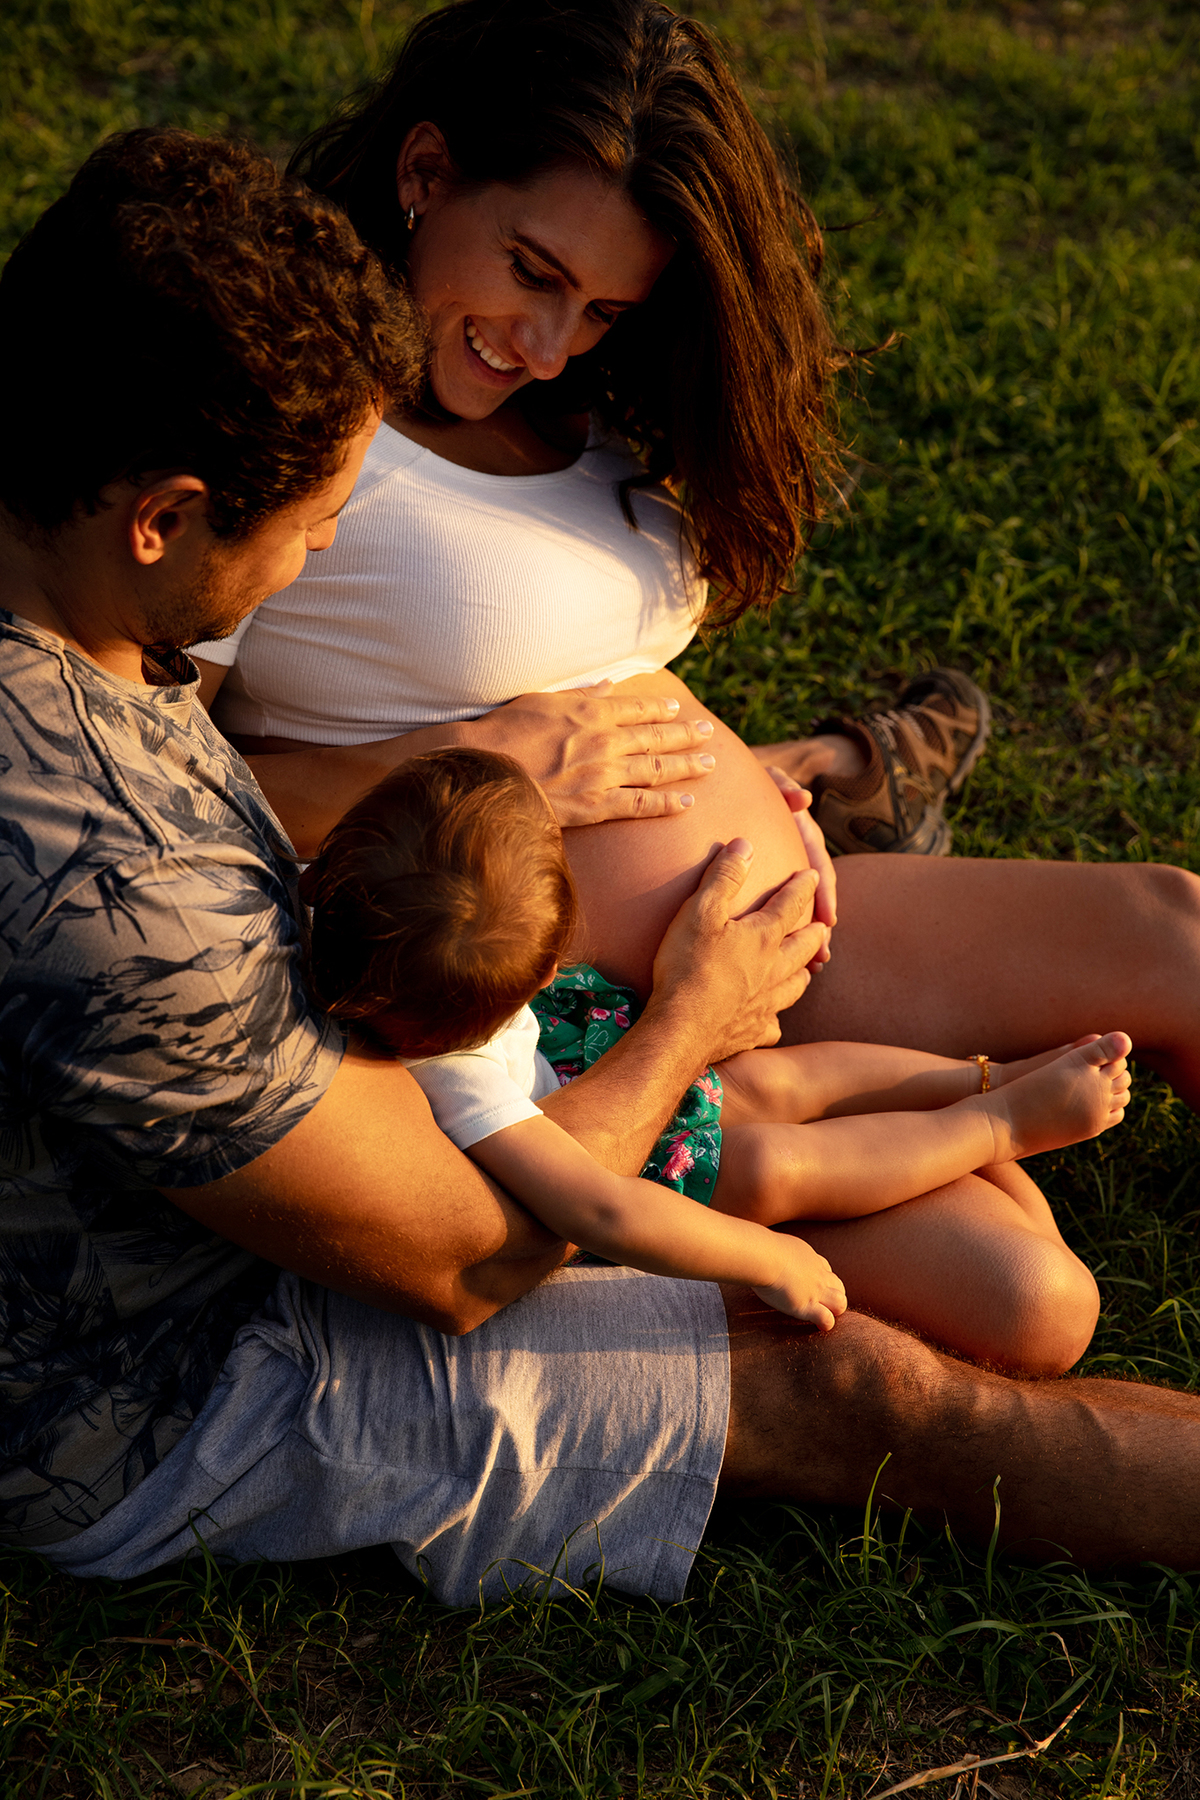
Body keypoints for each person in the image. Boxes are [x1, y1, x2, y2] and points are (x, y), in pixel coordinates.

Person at [5, 125, 1200, 1612]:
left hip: (454, 1072)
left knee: (1140, 970)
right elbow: (469, 1252)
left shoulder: (87, 621)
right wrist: (687, 1020)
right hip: (200, 1378)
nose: (313, 562)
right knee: (878, 1387)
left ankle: (853, 798)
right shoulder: (103, 881)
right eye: (311, 530)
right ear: (163, 517)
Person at [191, 0, 1200, 1348]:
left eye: (603, 307)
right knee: (1033, 1300)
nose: (549, 343)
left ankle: (841, 793)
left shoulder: (570, 408)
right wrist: (481, 766)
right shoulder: (291, 428)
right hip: (593, 1022)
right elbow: (162, 805)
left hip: (784, 935)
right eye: (532, 271)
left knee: (1179, 932)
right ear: (425, 174)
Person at [303, 746, 1130, 1346]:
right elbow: (603, 1208)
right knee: (781, 1165)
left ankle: (984, 1075)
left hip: (591, 1053)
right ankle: (1004, 1122)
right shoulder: (458, 1081)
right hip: (650, 1162)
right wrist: (764, 1256)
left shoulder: (349, 911)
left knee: (791, 1081)